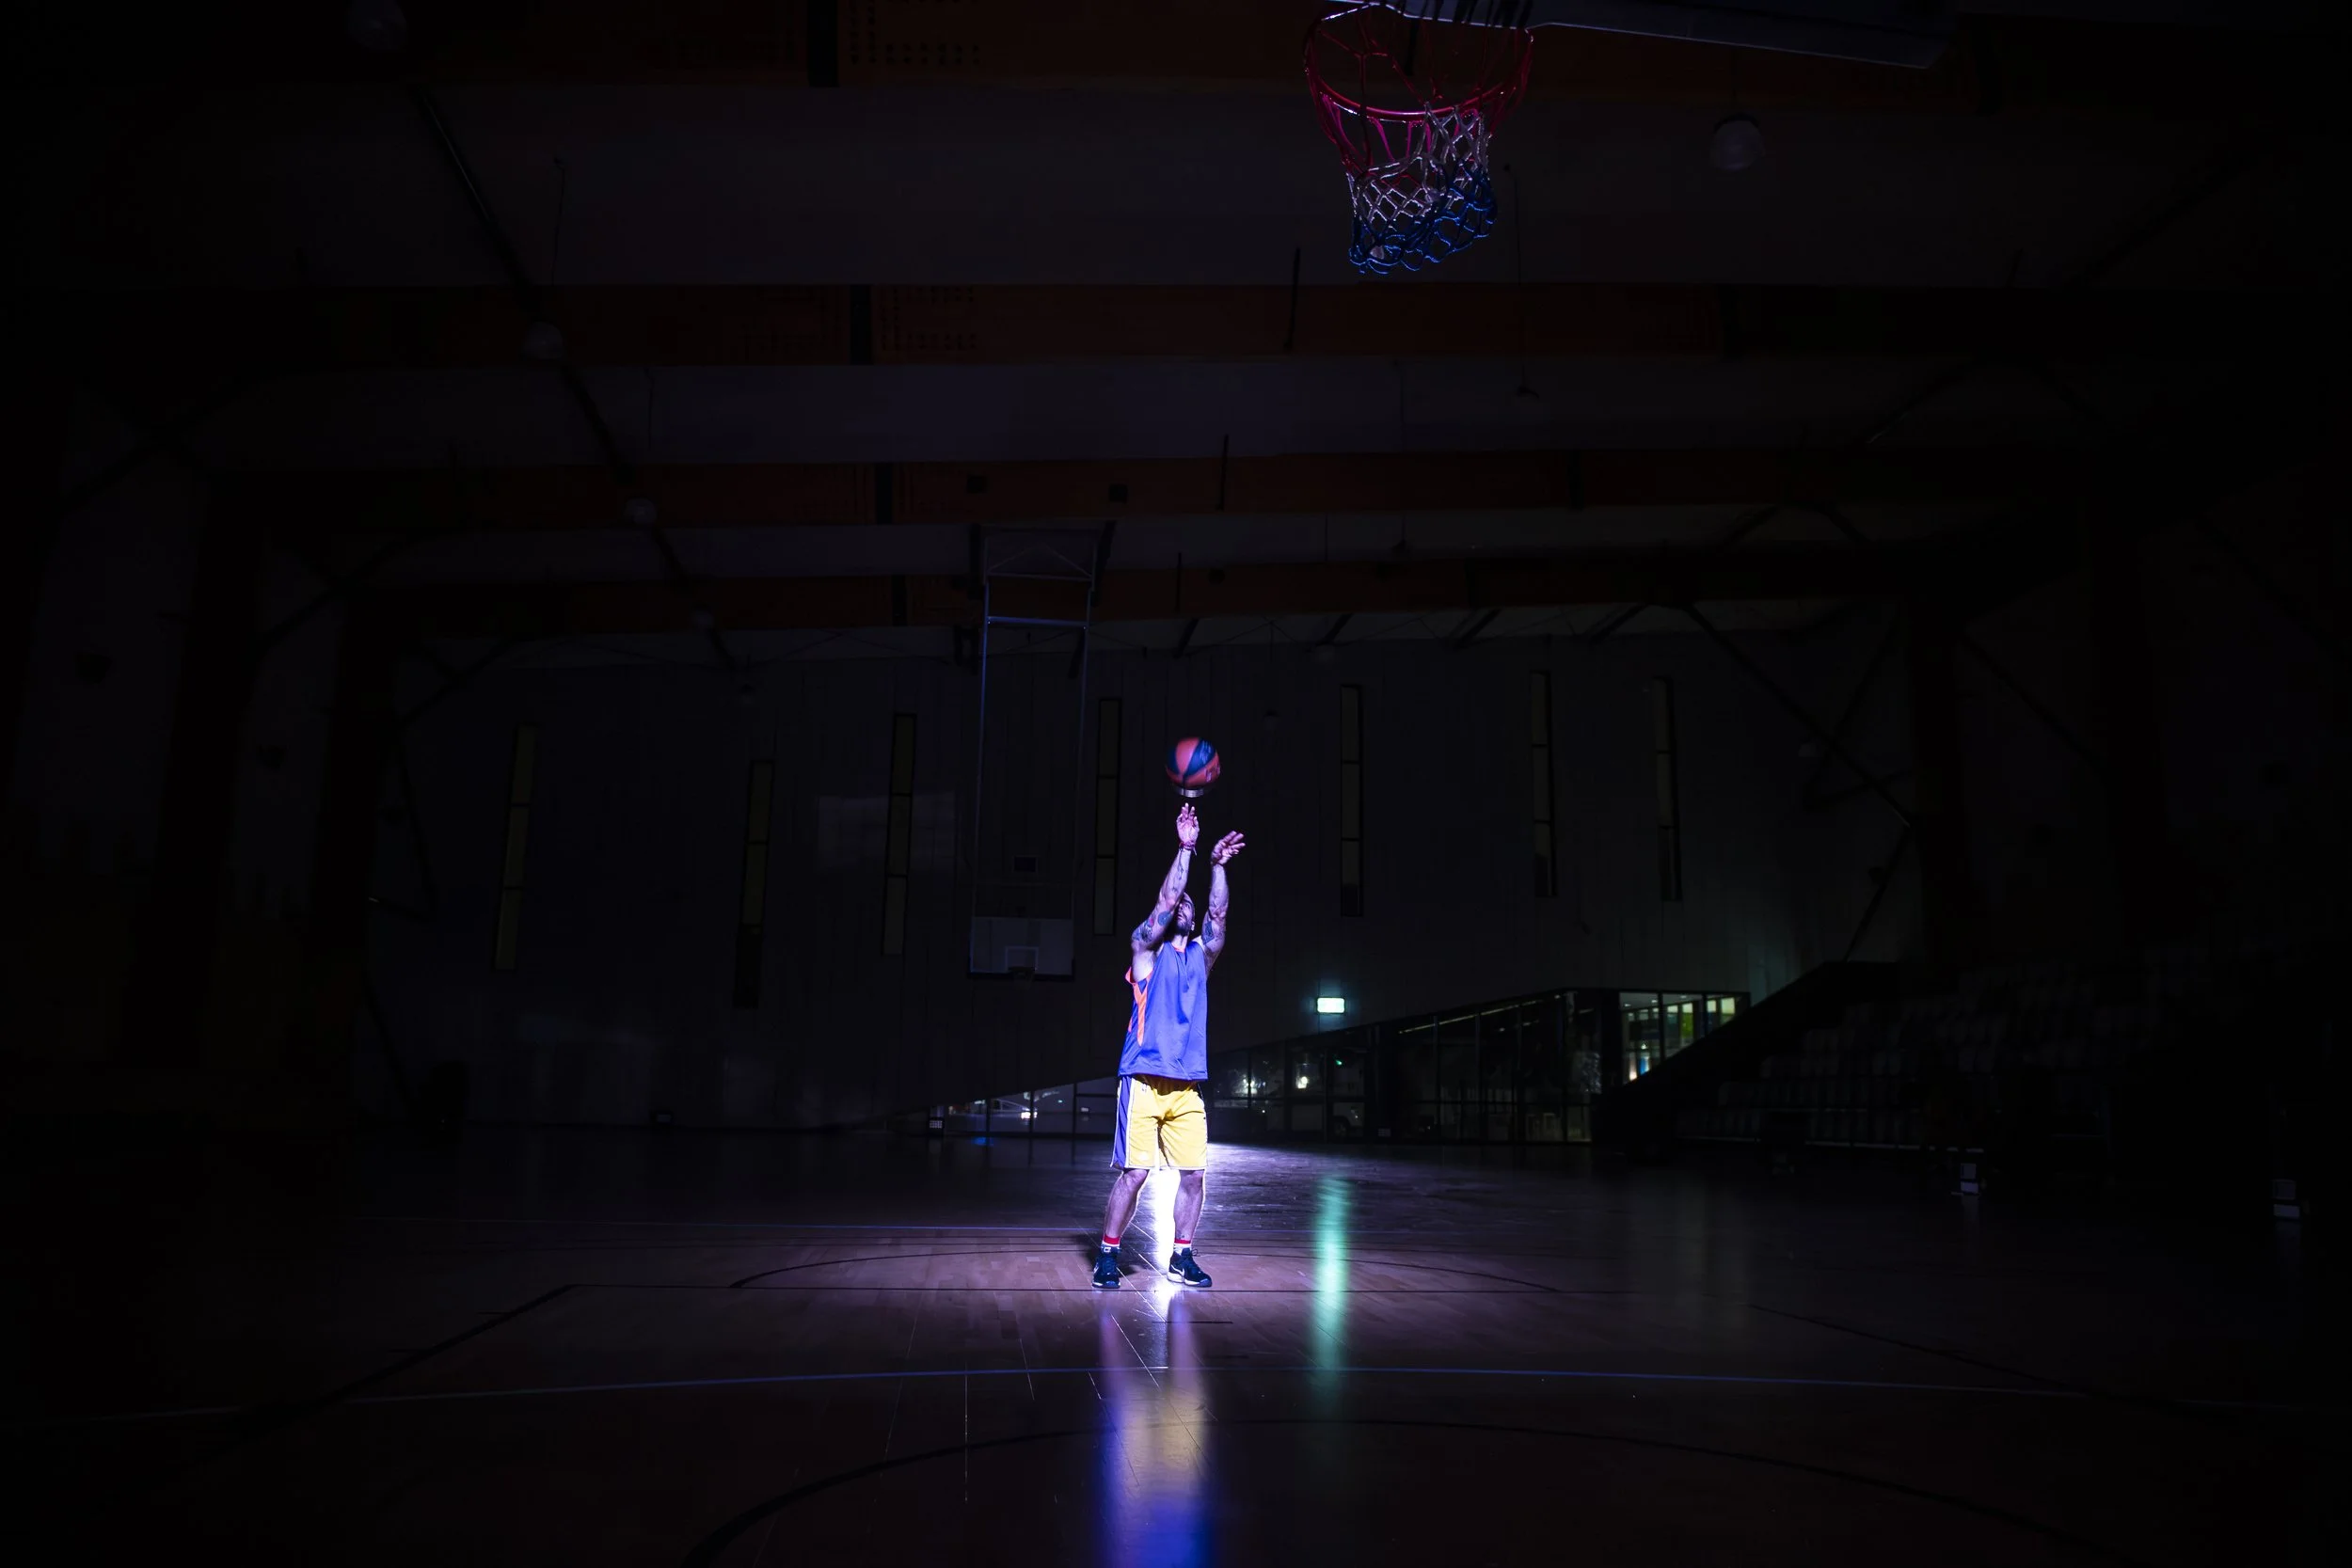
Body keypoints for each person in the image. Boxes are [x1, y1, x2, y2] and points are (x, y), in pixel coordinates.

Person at [1093, 803, 1243, 1289]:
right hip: (1141, 1078)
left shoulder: (1201, 955)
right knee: (1135, 1173)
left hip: (1187, 1087)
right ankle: (1108, 1253)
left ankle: (1182, 1255)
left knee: (1195, 1175)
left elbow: (1218, 912)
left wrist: (1217, 866)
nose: (1182, 905)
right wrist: (1187, 848)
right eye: (1177, 904)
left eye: (1189, 905)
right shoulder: (1145, 951)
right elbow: (1166, 896)